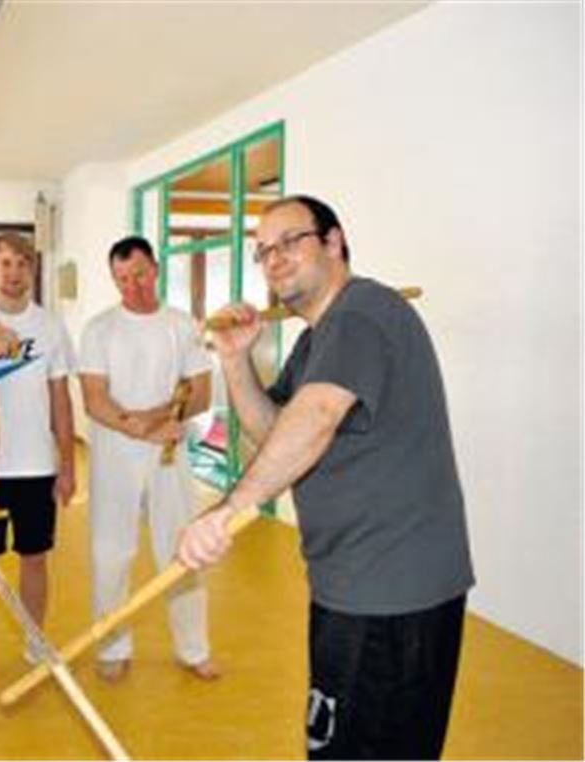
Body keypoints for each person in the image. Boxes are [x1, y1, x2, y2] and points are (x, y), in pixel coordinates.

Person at [177, 195, 474, 759]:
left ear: (334, 241)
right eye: (264, 251)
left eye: (291, 241)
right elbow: (275, 432)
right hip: (350, 581)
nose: (275, 259)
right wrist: (236, 360)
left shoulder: (363, 313)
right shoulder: (320, 337)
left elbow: (314, 419)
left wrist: (226, 510)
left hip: (392, 591)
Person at [78, 235, 218, 683]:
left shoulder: (182, 326)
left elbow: (200, 394)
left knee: (181, 551)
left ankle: (193, 649)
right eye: (121, 278)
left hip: (168, 455)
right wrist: (137, 426)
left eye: (138, 274)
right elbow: (95, 400)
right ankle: (112, 645)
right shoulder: (99, 329)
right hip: (114, 456)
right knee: (110, 552)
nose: (131, 285)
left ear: (155, 269)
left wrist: (157, 421)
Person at [0, 232, 77, 695]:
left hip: (35, 464)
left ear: (33, 269)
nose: (14, 272)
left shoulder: (50, 326)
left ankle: (35, 640)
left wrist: (66, 464)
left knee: (34, 557)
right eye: (4, 263)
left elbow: (60, 399)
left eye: (22, 263)